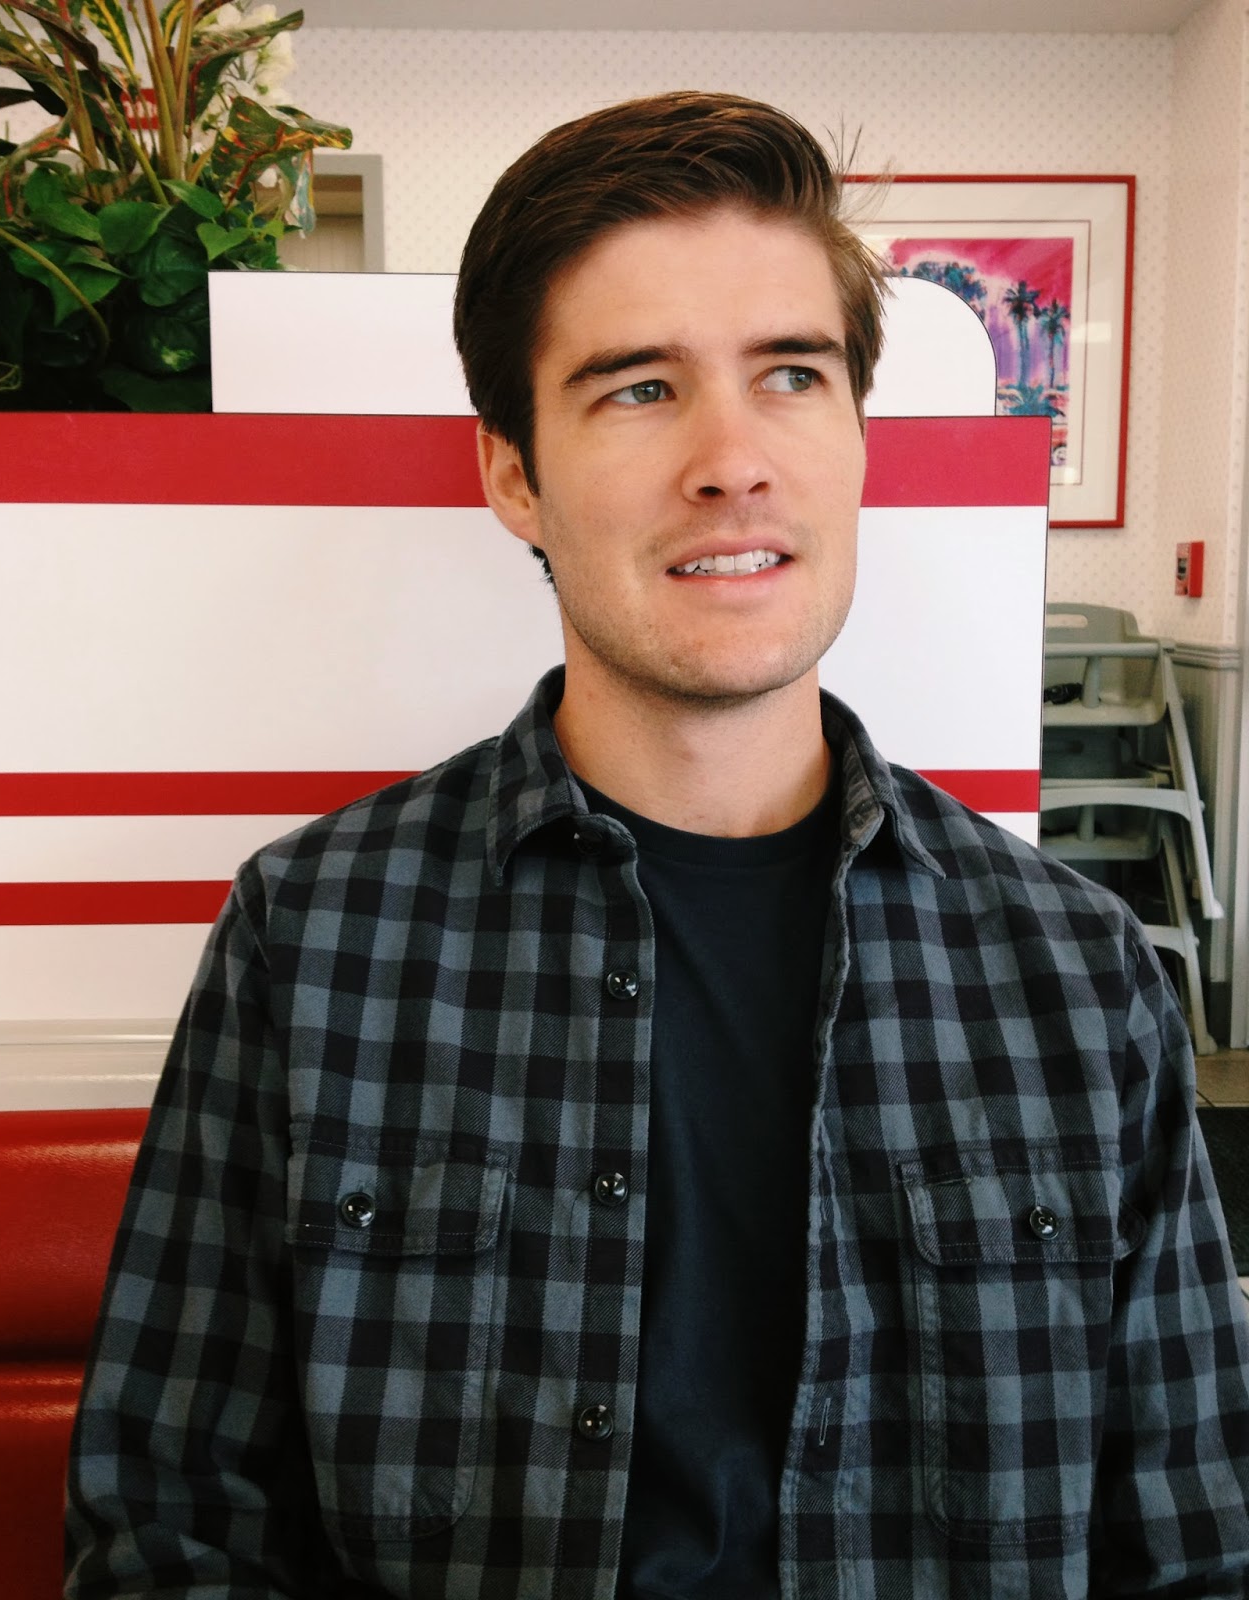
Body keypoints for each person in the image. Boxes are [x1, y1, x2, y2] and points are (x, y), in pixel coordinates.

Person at [65, 91, 1249, 1600]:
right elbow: (166, 1527)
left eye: (792, 375)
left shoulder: (1079, 974)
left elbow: (1204, 1546)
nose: (732, 460)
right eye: (638, 388)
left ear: (858, 437)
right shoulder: (311, 938)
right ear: (514, 474)